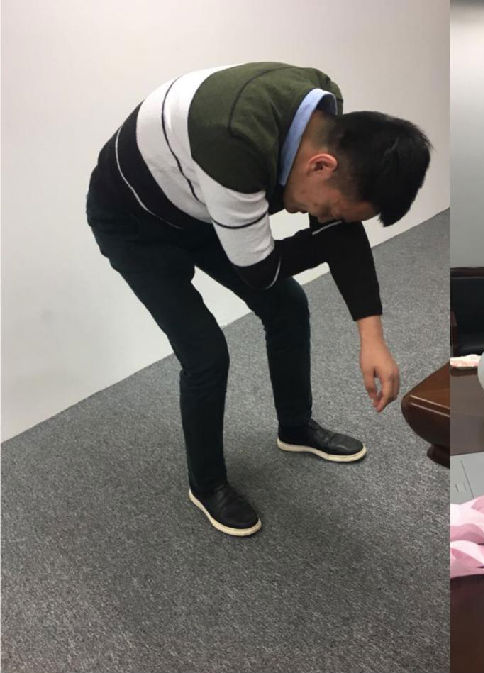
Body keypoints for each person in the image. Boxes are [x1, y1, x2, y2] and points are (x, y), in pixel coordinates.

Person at [86, 62, 431, 537]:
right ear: (321, 166)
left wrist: (372, 338)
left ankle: (295, 427)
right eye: (328, 207)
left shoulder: (327, 114)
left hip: (198, 200)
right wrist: (328, 236)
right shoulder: (233, 148)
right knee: (205, 354)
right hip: (133, 224)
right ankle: (206, 483)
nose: (321, 214)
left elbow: (338, 234)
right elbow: (261, 269)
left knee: (288, 307)